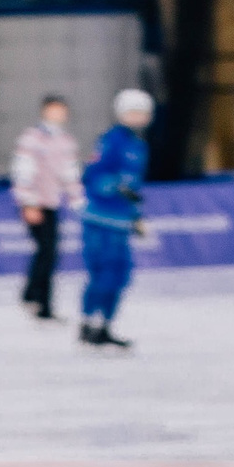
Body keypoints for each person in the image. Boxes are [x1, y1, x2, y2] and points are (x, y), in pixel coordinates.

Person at [78, 87, 153, 350]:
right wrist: (112, 186)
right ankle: (87, 324)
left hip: (121, 222)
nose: (138, 117)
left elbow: (135, 189)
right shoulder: (110, 141)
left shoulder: (139, 147)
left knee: (121, 274)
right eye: (133, 111)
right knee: (102, 272)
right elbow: (91, 176)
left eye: (142, 112)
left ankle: (105, 326)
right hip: (100, 220)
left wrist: (136, 217)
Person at [9, 94, 82, 321]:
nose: (58, 114)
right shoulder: (32, 139)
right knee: (46, 251)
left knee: (48, 253)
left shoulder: (66, 141)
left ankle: (35, 297)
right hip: (34, 203)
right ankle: (38, 300)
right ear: (45, 111)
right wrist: (28, 202)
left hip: (51, 202)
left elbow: (69, 174)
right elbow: (23, 170)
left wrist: (77, 199)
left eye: (62, 110)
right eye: (54, 110)